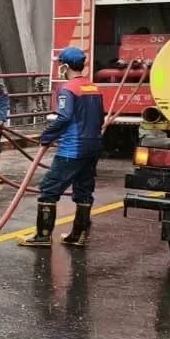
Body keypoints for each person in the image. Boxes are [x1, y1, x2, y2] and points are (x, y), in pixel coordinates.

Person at [20, 46, 104, 248]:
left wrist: (46, 135)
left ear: (65, 66)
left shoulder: (68, 90)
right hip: (93, 147)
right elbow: (100, 117)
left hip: (72, 149)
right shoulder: (94, 87)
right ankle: (78, 235)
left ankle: (43, 236)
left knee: (49, 188)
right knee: (84, 190)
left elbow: (64, 118)